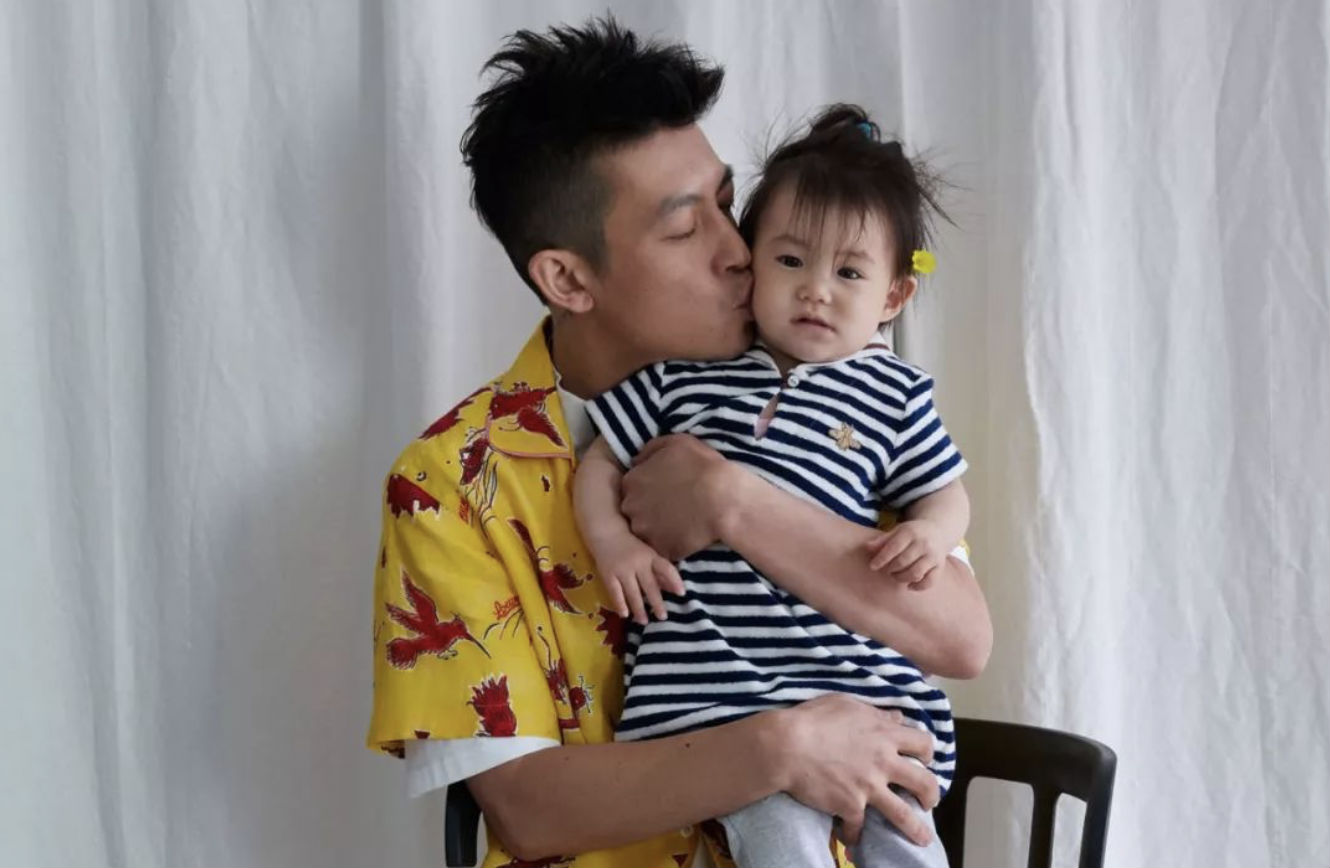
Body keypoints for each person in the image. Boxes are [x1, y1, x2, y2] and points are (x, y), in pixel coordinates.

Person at [366, 17, 992, 868]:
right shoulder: (448, 484)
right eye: (685, 227)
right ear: (568, 278)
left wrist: (733, 503)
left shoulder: (828, 380)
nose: (740, 252)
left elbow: (960, 640)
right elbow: (528, 810)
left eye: (728, 205)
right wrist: (779, 748)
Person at [575, 104, 966, 868]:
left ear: (893, 298)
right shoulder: (683, 375)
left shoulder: (894, 396)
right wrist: (612, 542)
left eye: (848, 273)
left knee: (905, 831)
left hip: (853, 690)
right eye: (790, 261)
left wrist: (932, 533)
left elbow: (945, 493)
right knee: (779, 840)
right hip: (717, 698)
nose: (815, 291)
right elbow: (600, 463)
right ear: (751, 263)